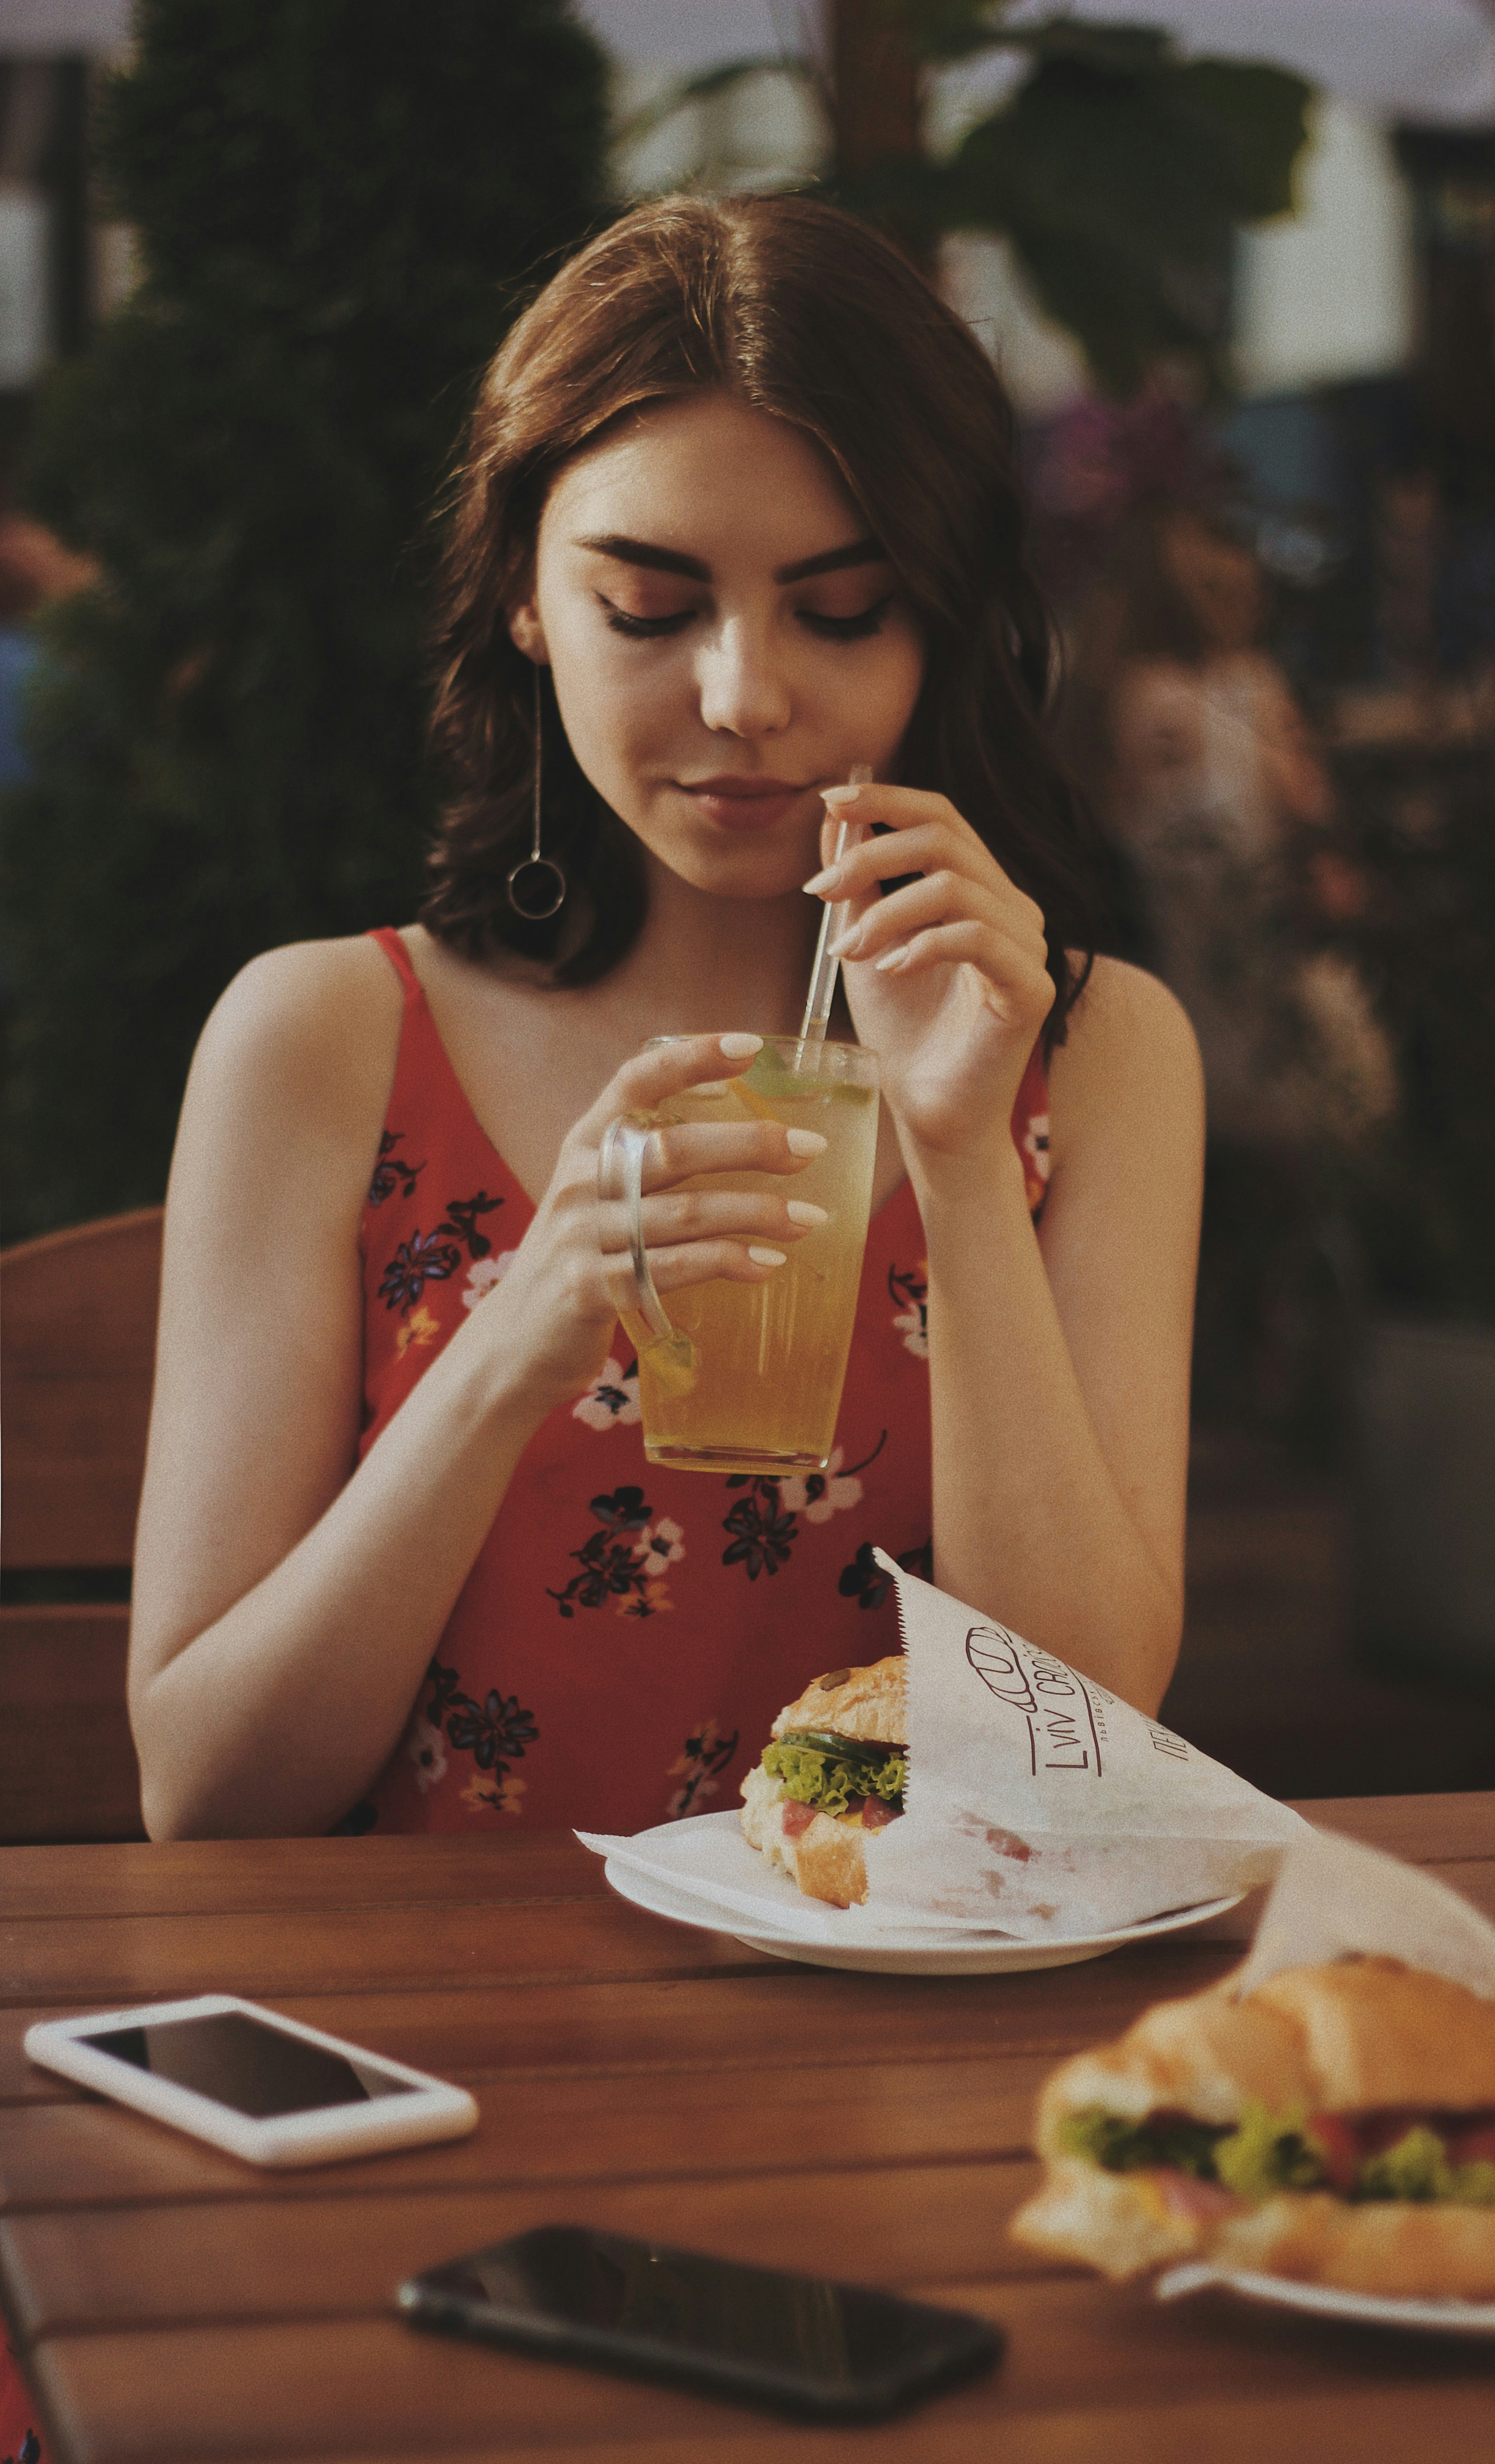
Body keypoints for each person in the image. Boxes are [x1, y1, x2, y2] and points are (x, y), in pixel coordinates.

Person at [125, 194, 1204, 1843]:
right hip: (448, 1994)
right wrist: (517, 1341)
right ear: (524, 594)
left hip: (884, 1990)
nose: (744, 696)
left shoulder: (1095, 1050)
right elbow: (206, 1791)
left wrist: (961, 1161)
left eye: (842, 610)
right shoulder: (325, 1039)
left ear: (941, 620)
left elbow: (1087, 1751)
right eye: (649, 605)